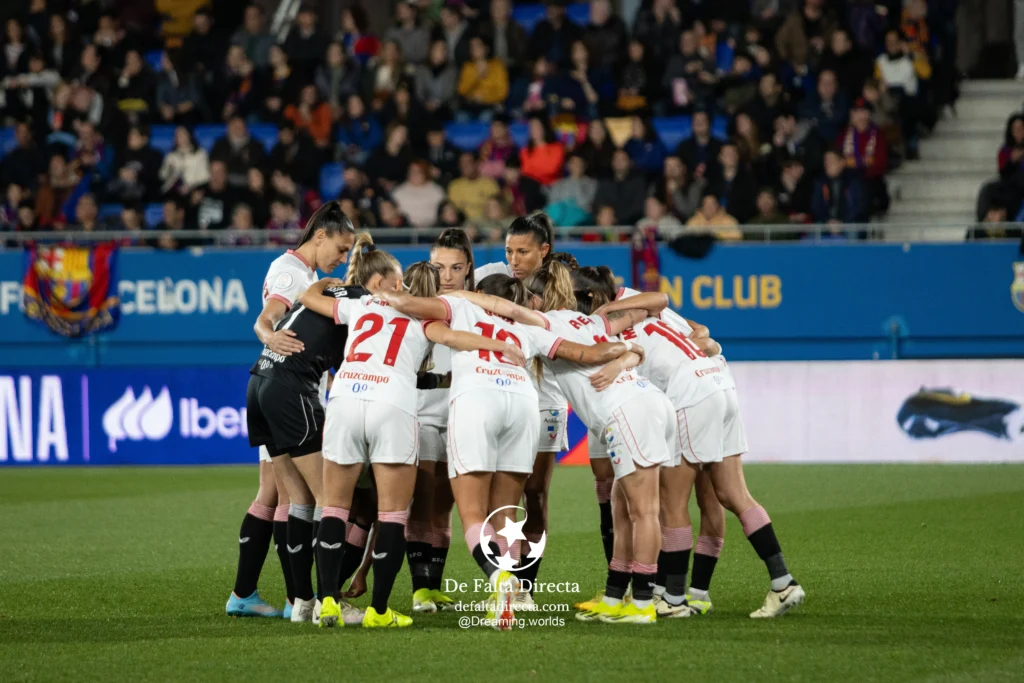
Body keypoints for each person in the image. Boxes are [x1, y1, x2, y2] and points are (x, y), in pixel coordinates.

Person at [378, 271, 639, 627]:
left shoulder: (459, 305)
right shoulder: (529, 327)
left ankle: (499, 577)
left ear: (480, 292)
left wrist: (377, 292)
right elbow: (589, 353)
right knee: (505, 513)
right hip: (522, 403)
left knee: (473, 513)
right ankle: (510, 600)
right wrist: (628, 351)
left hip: (477, 399)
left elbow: (409, 305)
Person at [299, 237, 522, 629]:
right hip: (392, 404)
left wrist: (326, 283)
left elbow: (308, 297)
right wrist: (499, 345)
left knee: (334, 507)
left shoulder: (362, 304)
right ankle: (379, 611)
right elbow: (455, 339)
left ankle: (328, 602)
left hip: (346, 399)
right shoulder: (426, 319)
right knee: (392, 514)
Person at [450, 266, 674, 624]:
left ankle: (644, 602)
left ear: (537, 299)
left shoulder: (542, 323)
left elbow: (503, 307)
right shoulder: (592, 321)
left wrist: (458, 295)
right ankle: (615, 596)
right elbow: (648, 309)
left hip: (626, 410)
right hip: (648, 402)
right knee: (621, 505)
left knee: (644, 510)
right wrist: (624, 344)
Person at [594, 285, 807, 619]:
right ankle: (782, 581)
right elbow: (699, 330)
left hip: (691, 394)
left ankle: (674, 598)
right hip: (721, 381)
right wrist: (710, 344)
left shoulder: (611, 327)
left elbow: (669, 312)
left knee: (672, 502)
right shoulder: (654, 314)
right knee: (731, 494)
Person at [242, 202, 358, 624]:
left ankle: (295, 600)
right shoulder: (293, 273)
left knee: (291, 497)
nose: (342, 259)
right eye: (340, 249)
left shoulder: (306, 275)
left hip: (267, 383)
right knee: (320, 496)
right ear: (320, 236)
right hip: (290, 391)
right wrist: (268, 336)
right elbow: (266, 318)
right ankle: (319, 599)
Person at [406, 228, 477, 614]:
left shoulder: (476, 308)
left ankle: (434, 587)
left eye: (455, 268)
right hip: (423, 413)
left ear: (468, 269)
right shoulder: (415, 306)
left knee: (444, 508)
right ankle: (420, 590)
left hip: (463, 414)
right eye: (439, 267)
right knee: (421, 503)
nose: (446, 276)